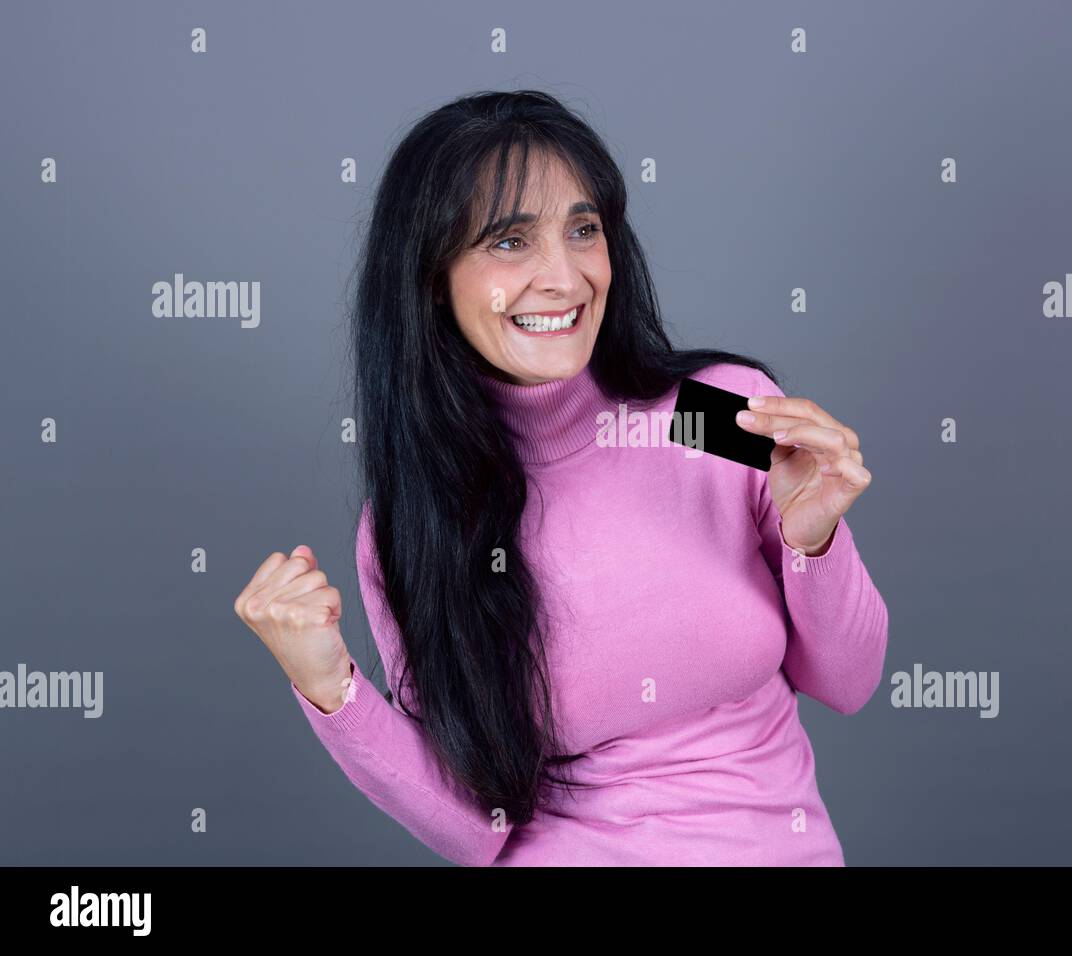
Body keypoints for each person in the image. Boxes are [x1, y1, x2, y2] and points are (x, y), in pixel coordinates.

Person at [233, 90, 888, 866]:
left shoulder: (714, 413)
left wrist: (813, 540)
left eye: (583, 230)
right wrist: (330, 687)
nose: (564, 276)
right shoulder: (422, 517)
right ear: (432, 278)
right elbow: (476, 829)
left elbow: (847, 680)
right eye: (509, 241)